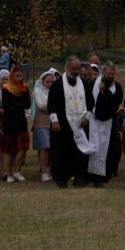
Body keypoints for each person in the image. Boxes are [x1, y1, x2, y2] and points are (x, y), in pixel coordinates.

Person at [47, 57, 93, 188]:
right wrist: (55, 121)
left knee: (80, 153)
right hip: (62, 126)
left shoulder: (84, 84)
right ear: (67, 68)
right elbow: (52, 103)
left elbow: (90, 102)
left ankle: (79, 178)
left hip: (81, 125)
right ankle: (61, 179)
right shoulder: (57, 84)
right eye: (74, 68)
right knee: (62, 152)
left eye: (78, 69)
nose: (76, 71)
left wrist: (87, 118)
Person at [86, 62, 122, 186]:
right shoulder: (92, 85)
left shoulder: (117, 87)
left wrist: (104, 91)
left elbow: (115, 104)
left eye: (113, 74)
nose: (110, 76)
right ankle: (91, 176)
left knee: (107, 150)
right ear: (103, 73)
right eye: (108, 74)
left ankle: (102, 178)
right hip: (93, 122)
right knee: (93, 148)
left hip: (109, 123)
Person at [0, 66, 31, 182]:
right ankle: (8, 175)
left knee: (24, 147)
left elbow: (27, 104)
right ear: (12, 76)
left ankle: (17, 171)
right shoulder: (6, 88)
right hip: (9, 122)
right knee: (8, 150)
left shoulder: (24, 88)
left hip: (21, 122)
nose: (18, 78)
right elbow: (6, 106)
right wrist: (19, 104)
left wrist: (15, 104)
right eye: (16, 76)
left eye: (20, 76)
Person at [31, 69, 56, 182]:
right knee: (43, 148)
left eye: (52, 82)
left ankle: (51, 172)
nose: (50, 84)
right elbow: (40, 106)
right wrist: (52, 104)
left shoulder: (55, 92)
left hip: (53, 122)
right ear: (42, 81)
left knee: (52, 148)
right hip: (41, 122)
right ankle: (44, 172)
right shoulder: (37, 91)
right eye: (48, 82)